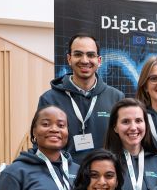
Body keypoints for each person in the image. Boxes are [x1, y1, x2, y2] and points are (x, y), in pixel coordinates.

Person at [36, 33, 124, 163]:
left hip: (104, 179)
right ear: (69, 59)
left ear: (99, 60)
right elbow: (41, 144)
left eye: (90, 55)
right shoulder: (49, 99)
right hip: (63, 178)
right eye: (78, 54)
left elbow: (123, 143)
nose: (84, 60)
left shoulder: (116, 97)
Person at [105, 98, 157, 190]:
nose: (133, 127)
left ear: (145, 124)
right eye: (125, 122)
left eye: (138, 120)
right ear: (115, 127)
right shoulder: (105, 163)